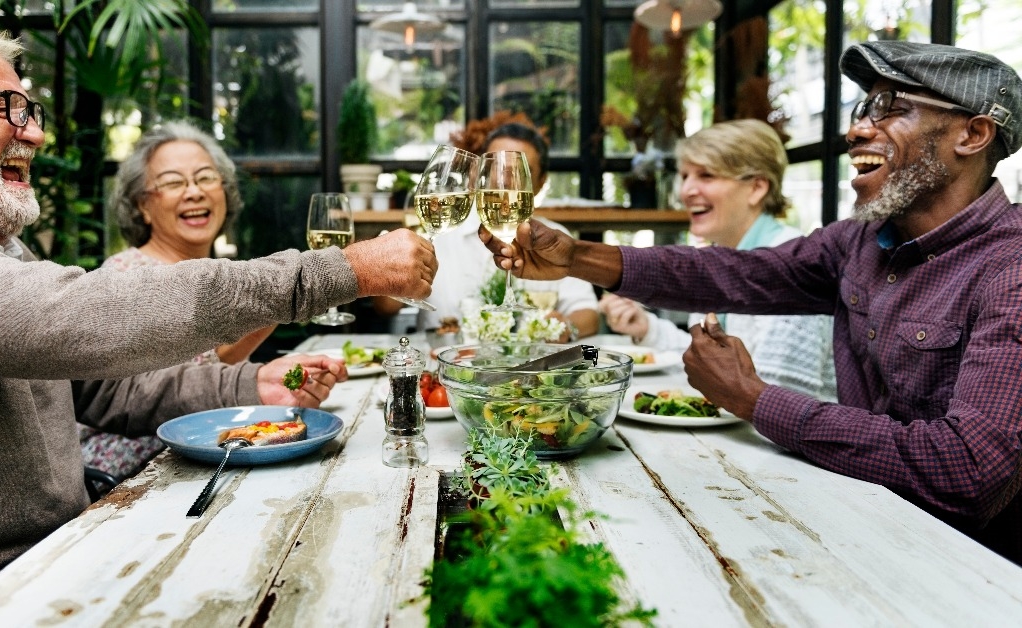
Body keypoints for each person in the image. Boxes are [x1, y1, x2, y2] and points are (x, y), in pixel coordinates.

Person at [0, 18, 436, 627]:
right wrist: (341, 270)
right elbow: (101, 315)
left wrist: (249, 389)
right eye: (3, 108)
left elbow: (104, 387)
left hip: (54, 565)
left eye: (29, 109)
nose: (33, 134)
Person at [481, 41, 1022, 564]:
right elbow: (734, 271)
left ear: (972, 133)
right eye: (862, 108)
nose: (857, 129)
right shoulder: (860, 241)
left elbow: (969, 469)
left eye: (890, 109)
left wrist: (753, 399)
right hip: (857, 519)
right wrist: (575, 257)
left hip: (961, 566)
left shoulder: (1010, 270)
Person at [82, 120, 277, 480]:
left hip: (202, 457)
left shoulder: (220, 272)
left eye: (205, 177)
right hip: (130, 476)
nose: (194, 192)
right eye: (173, 182)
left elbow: (214, 363)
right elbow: (158, 393)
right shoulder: (127, 276)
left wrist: (281, 299)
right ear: (142, 205)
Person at [599, 120, 836, 401]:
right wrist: (646, 327)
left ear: (757, 188)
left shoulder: (789, 265)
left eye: (706, 176)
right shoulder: (723, 256)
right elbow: (707, 363)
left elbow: (776, 400)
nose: (686, 191)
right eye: (685, 175)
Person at [374, 120, 599, 341]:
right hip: (441, 365)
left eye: (519, 172)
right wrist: (393, 278)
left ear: (540, 183)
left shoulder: (555, 239)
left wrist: (566, 328)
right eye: (494, 169)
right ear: (476, 175)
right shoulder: (443, 229)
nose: (503, 182)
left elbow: (589, 313)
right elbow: (384, 306)